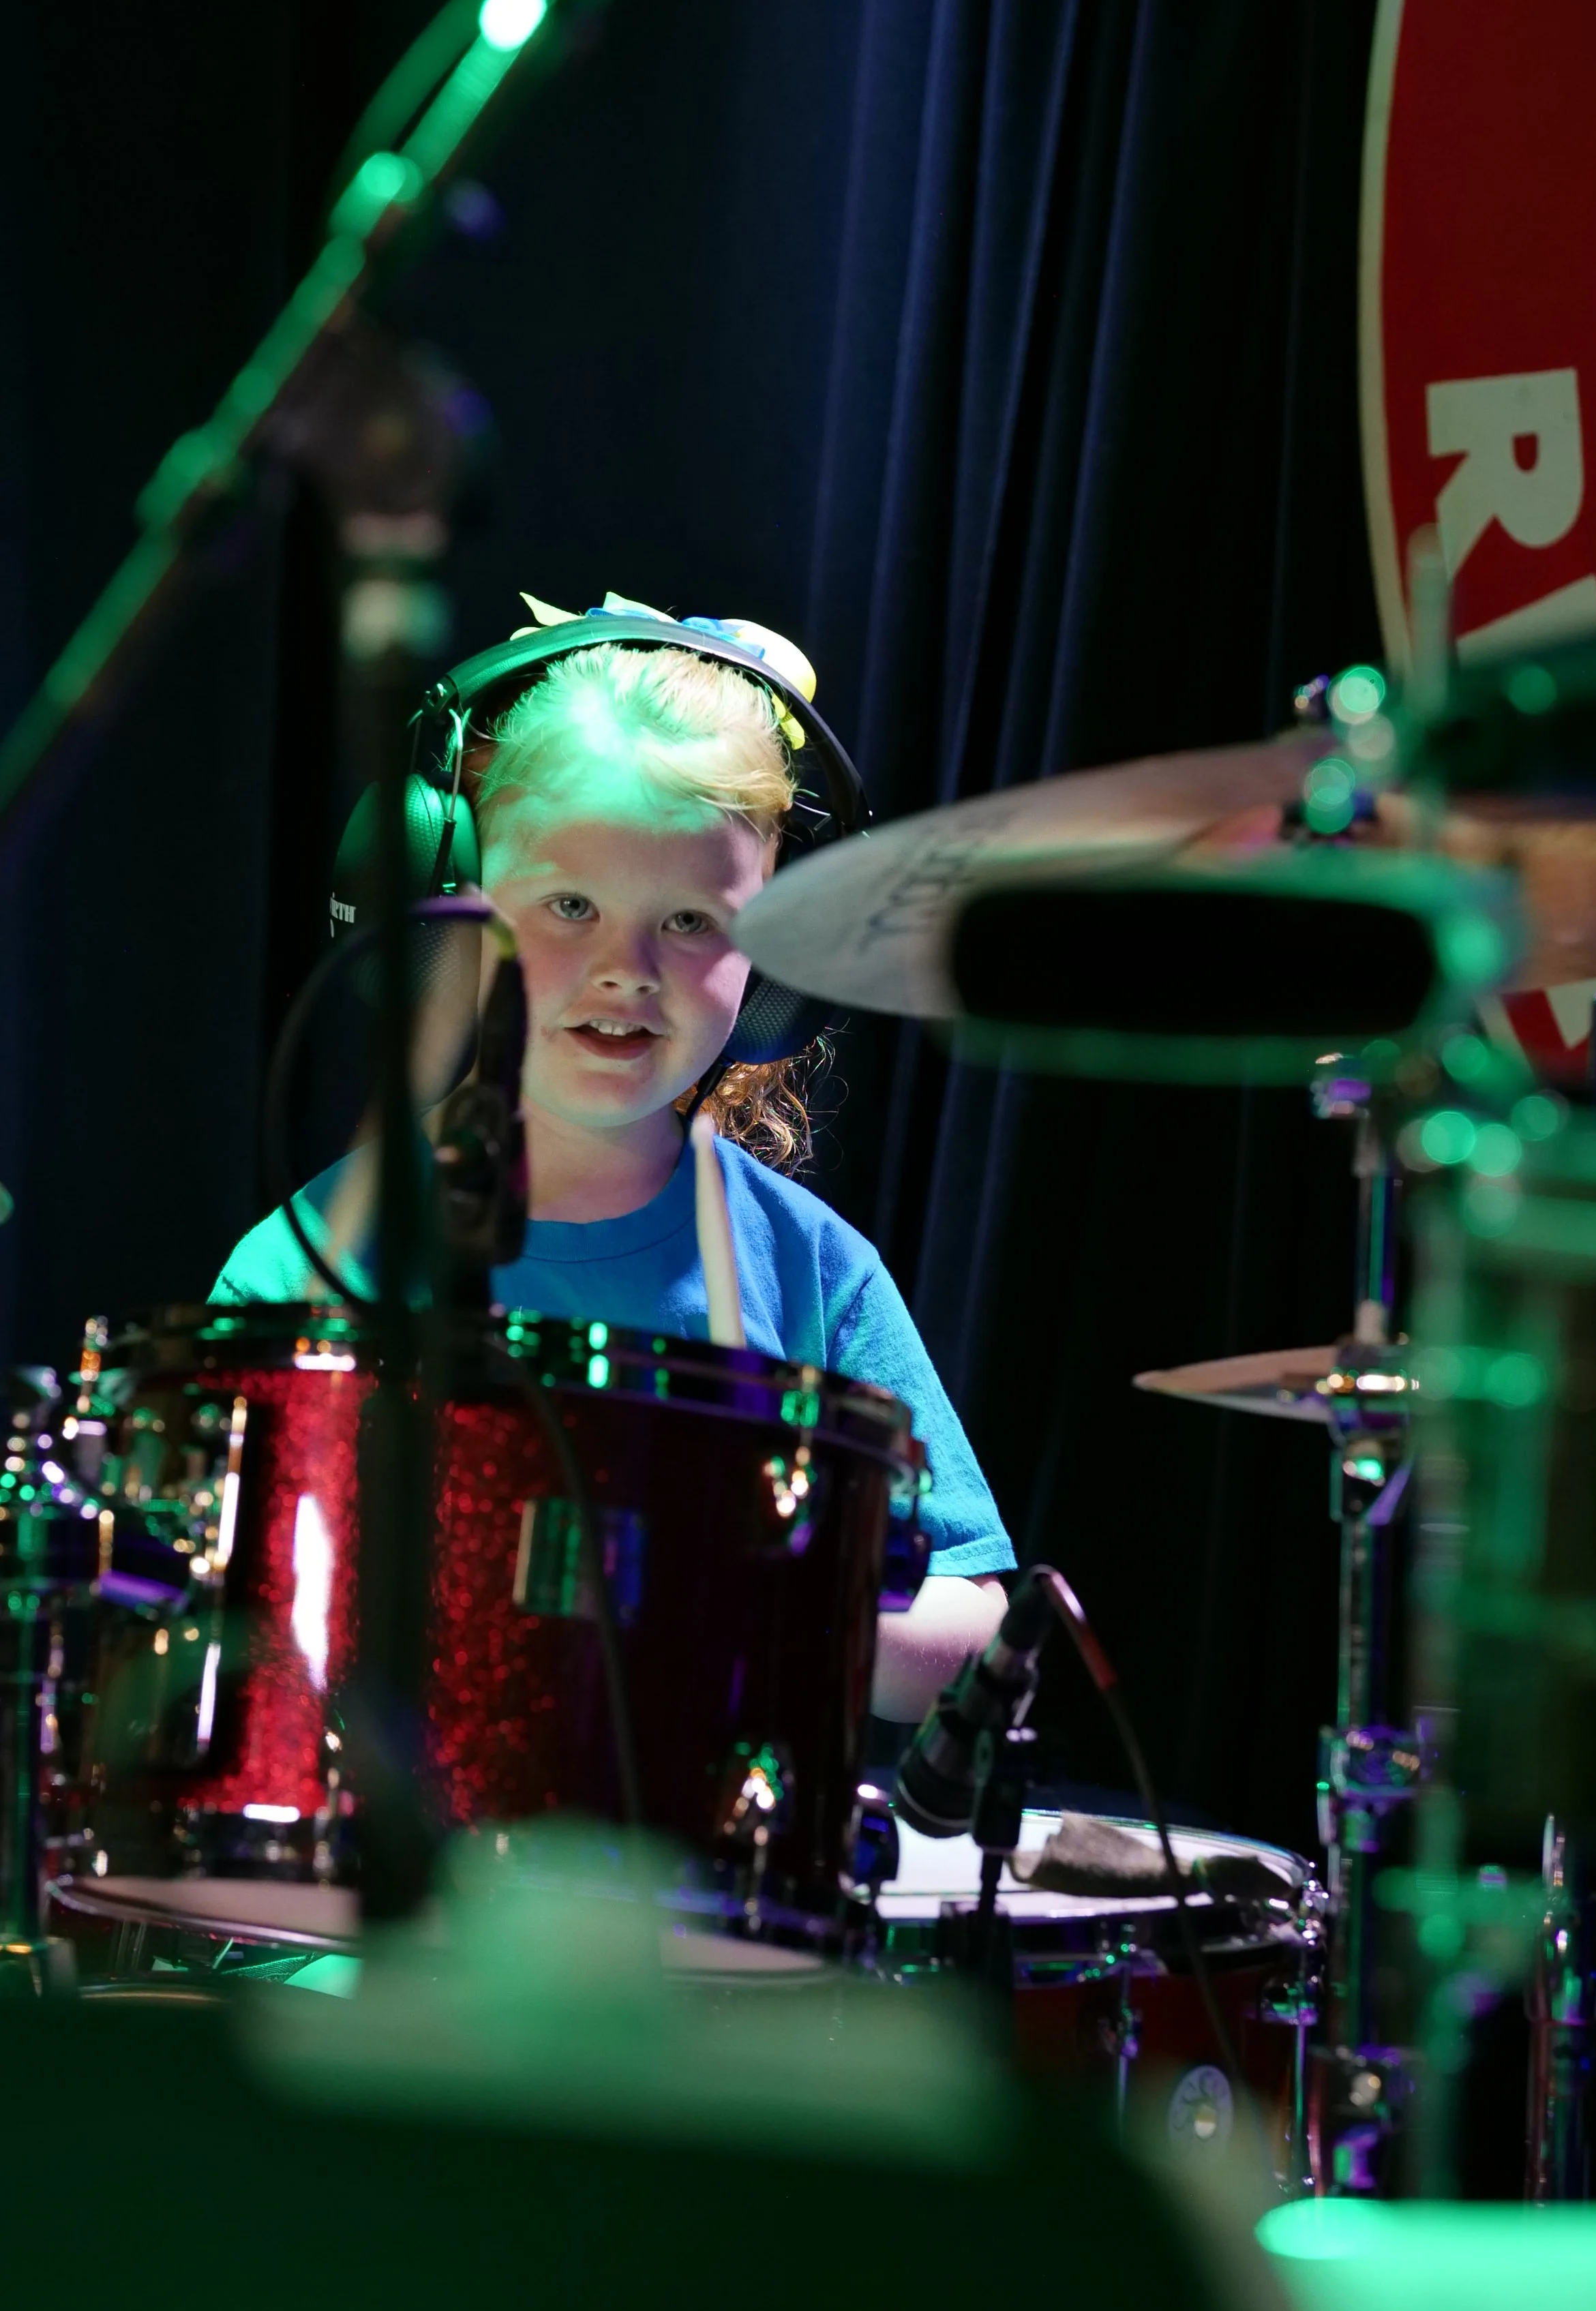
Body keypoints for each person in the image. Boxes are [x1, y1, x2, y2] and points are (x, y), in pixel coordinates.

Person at [213, 598, 1013, 1717]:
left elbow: (974, 1617)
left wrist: (775, 1600)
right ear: (452, 908)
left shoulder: (812, 1274)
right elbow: (235, 1620)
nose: (625, 967)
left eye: (692, 921)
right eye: (570, 904)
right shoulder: (309, 1264)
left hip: (700, 1878)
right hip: (387, 1869)